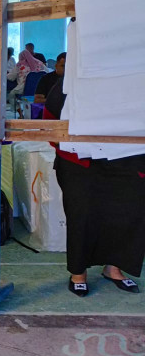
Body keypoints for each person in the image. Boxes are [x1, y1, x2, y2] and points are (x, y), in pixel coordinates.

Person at [44, 78, 145, 297]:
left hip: (127, 158)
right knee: (82, 215)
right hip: (80, 160)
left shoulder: (134, 78)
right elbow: (51, 122)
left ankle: (114, 268)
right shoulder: (68, 83)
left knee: (127, 213)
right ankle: (78, 273)